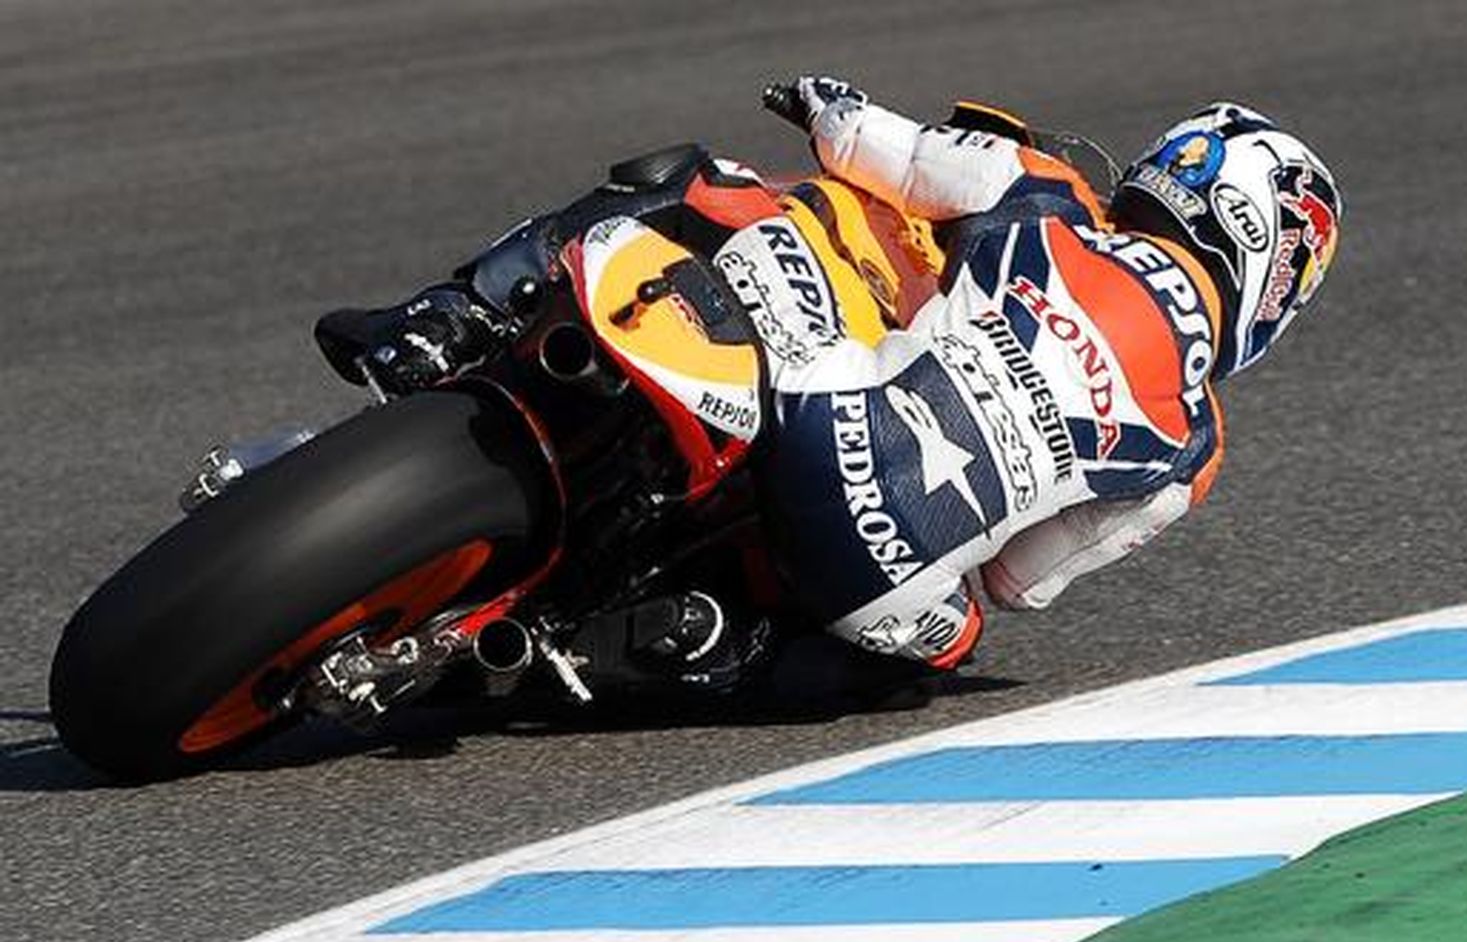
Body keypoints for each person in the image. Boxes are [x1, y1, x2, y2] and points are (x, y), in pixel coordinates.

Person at [317, 76, 1342, 688]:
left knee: (706, 184)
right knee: (953, 640)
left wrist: (819, 98)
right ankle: (687, 644)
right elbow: (1021, 581)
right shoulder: (1190, 453)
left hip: (815, 402)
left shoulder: (1053, 198)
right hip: (874, 576)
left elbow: (864, 143)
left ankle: (442, 318)